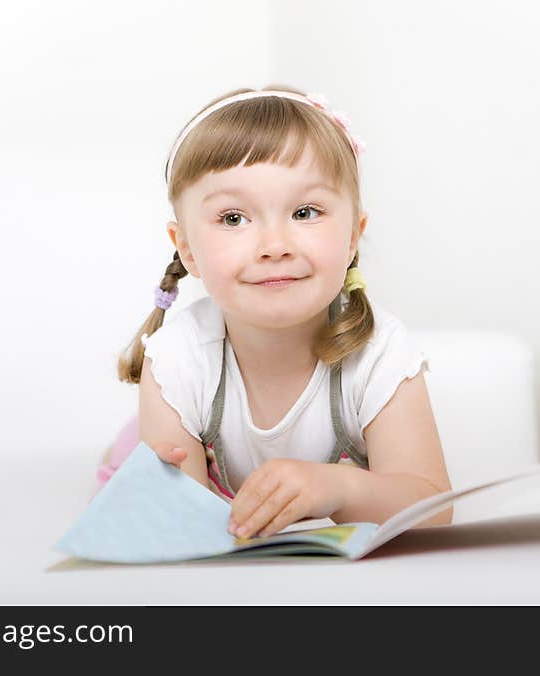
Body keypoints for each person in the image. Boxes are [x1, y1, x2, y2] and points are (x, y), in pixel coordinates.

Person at [99, 84, 453, 538]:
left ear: (352, 236)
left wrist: (340, 488)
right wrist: (172, 500)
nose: (274, 246)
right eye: (233, 219)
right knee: (136, 488)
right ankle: (123, 456)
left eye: (305, 212)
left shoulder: (379, 351)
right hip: (192, 467)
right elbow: (187, 536)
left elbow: (433, 508)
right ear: (186, 248)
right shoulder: (176, 358)